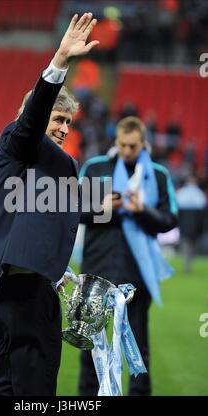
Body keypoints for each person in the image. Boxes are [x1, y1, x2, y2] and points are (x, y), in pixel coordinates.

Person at [0, 13, 99, 396]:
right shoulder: (16, 141)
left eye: (69, 122)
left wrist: (47, 267)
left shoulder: (12, 170)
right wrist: (60, 61)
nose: (65, 129)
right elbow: (33, 120)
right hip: (20, 302)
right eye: (58, 118)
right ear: (32, 118)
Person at [78, 116, 178, 396]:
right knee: (90, 349)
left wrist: (142, 210)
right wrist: (102, 207)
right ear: (116, 140)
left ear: (143, 143)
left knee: (138, 350)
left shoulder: (156, 174)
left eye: (132, 146)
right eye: (122, 145)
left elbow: (170, 219)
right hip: (96, 272)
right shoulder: (95, 168)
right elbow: (72, 211)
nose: (126, 151)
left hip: (137, 275)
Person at [176, 176, 207, 273]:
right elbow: (203, 213)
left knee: (186, 244)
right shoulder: (200, 194)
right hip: (195, 225)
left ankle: (187, 264)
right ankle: (188, 264)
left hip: (185, 224)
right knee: (192, 245)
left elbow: (177, 211)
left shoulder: (181, 193)